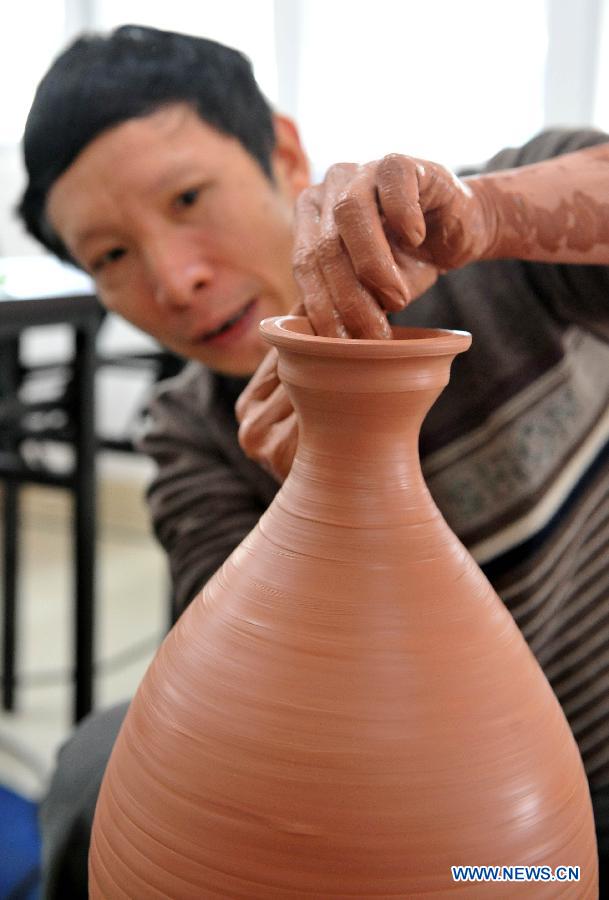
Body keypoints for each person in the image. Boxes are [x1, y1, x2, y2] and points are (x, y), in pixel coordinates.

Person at [18, 23, 609, 897]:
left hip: (551, 819)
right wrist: (314, 493)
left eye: (186, 199)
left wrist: (491, 215)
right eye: (111, 256)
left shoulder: (497, 254)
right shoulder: (191, 435)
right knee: (99, 769)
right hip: (450, 846)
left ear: (284, 154)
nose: (175, 278)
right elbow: (253, 745)